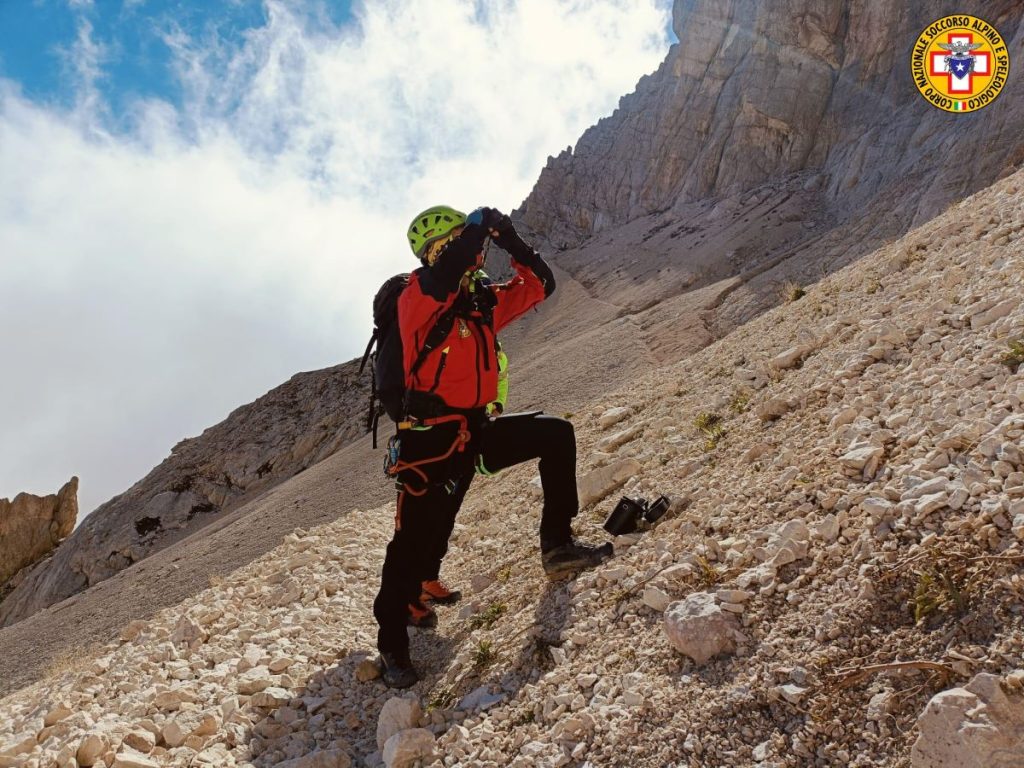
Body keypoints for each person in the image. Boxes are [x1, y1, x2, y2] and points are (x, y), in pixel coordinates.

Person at [372, 204, 612, 688]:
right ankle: (392, 645)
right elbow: (442, 279)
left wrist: (509, 237)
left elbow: (542, 283)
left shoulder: (479, 303)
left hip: (474, 430)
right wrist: (478, 227)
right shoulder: (415, 295)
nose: (473, 251)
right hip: (429, 440)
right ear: (439, 250)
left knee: (555, 434)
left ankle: (558, 545)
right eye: (460, 242)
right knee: (413, 542)